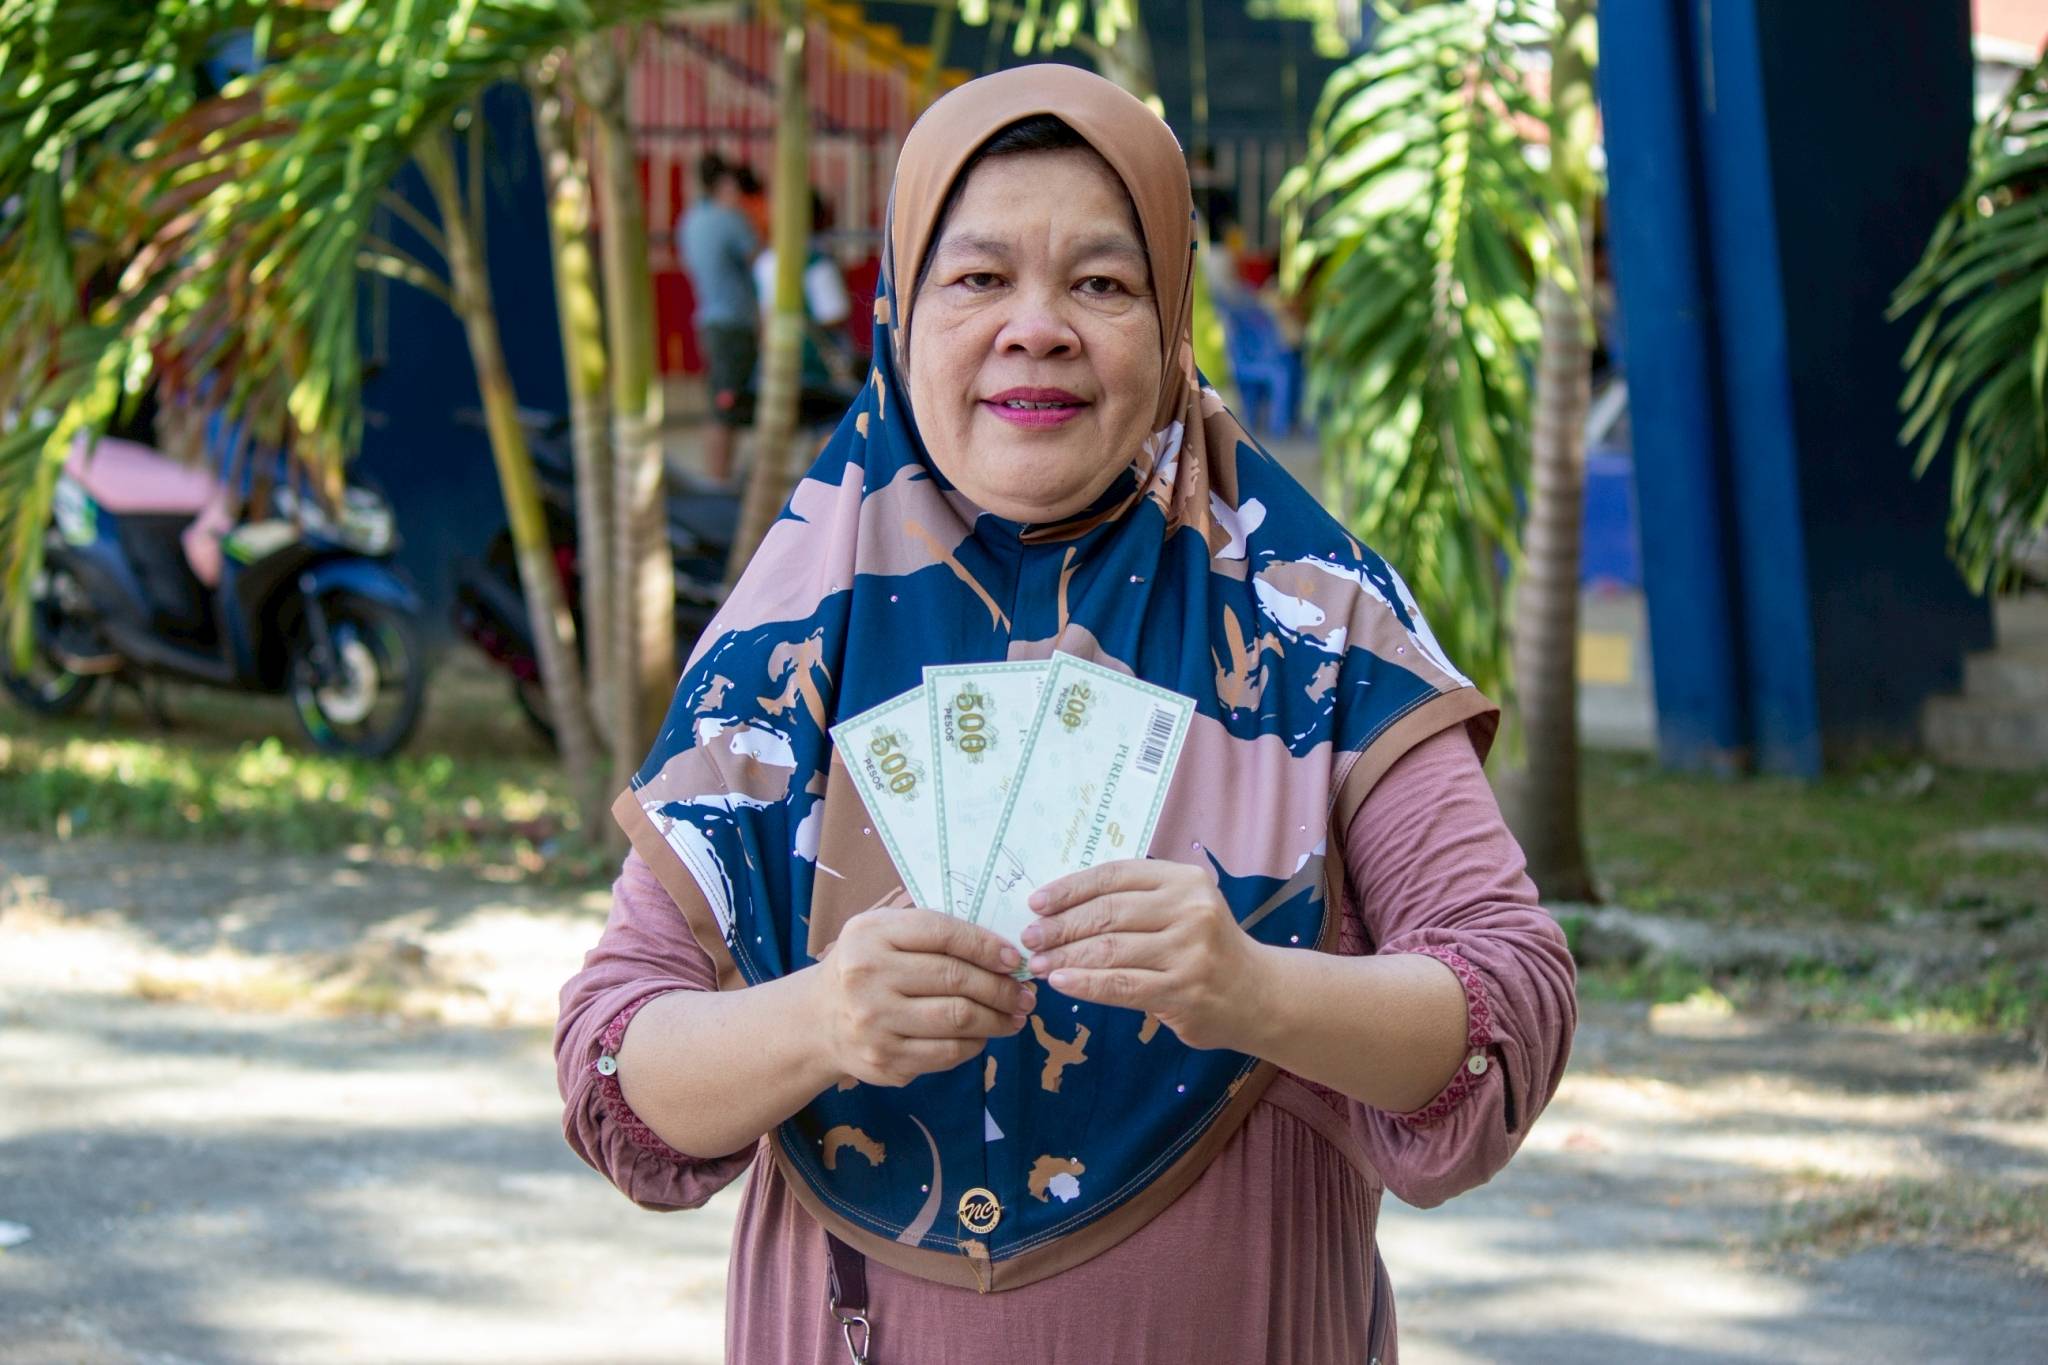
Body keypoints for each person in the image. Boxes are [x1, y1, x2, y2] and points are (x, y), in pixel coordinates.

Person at [559, 65, 1575, 1363]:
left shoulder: (1320, 626)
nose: (1035, 328)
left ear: (1172, 319)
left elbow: (1511, 1001)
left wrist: (1254, 989)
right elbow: (613, 1068)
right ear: (899, 315)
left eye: (1100, 283)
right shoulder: (790, 641)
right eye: (978, 278)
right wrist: (815, 1021)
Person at [677, 153, 759, 481]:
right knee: (725, 407)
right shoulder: (730, 219)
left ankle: (718, 477)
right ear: (724, 183)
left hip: (708, 321)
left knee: (721, 401)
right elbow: (759, 260)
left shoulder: (690, 220)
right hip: (734, 324)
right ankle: (718, 480)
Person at [752, 190, 858, 423]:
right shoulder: (819, 265)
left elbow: (762, 316)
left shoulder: (765, 261)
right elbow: (834, 315)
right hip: (815, 369)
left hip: (773, 367)